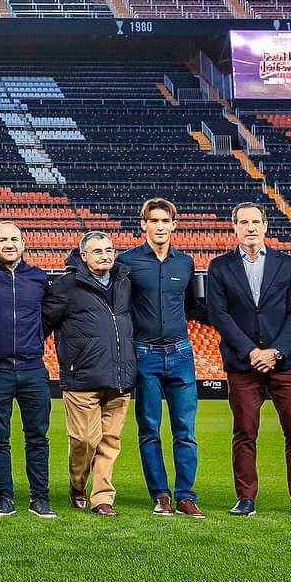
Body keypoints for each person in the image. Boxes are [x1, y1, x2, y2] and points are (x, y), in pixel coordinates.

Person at [204, 202, 291, 518]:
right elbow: (219, 314)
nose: (250, 227)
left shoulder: (288, 264)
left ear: (266, 226)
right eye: (243, 222)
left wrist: (276, 351)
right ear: (234, 227)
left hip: (285, 362)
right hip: (243, 363)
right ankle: (246, 498)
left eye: (255, 221)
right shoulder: (219, 266)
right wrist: (251, 351)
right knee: (244, 432)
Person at [117, 198, 203, 518]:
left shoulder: (186, 263)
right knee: (150, 429)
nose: (160, 226)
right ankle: (161, 494)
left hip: (181, 353)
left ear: (174, 225)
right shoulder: (126, 262)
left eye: (165, 221)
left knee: (185, 431)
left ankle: (186, 496)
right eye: (154, 220)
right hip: (144, 354)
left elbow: (193, 307)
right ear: (144, 224)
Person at [0, 221, 54, 518]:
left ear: (23, 243)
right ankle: (3, 498)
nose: (9, 244)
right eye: (2, 239)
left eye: (14, 239)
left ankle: (40, 498)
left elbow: (50, 314)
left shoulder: (38, 277)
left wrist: (35, 338)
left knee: (37, 437)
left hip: (33, 369)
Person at [46, 231, 135, 517]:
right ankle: (77, 483)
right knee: (84, 440)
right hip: (82, 379)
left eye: (109, 250)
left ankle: (102, 498)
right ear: (83, 256)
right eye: (97, 251)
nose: (105, 256)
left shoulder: (124, 282)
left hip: (120, 378)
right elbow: (43, 324)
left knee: (110, 442)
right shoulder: (65, 285)